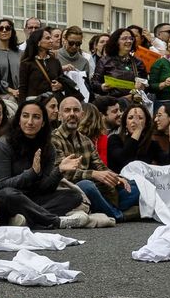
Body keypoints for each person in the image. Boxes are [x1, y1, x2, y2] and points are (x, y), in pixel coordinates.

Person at [0, 97, 91, 229]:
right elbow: (2, 185)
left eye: (36, 117)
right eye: (25, 116)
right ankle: (56, 221)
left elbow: (44, 188)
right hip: (5, 198)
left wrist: (59, 171)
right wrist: (31, 173)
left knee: (74, 196)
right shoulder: (4, 144)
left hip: (32, 198)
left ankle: (24, 219)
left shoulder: (48, 148)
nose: (30, 122)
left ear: (43, 122)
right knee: (8, 194)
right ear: (19, 120)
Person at [53, 95, 125, 223]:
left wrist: (116, 177)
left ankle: (106, 209)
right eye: (67, 110)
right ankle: (118, 214)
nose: (72, 114)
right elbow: (63, 174)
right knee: (86, 186)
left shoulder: (86, 140)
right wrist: (94, 174)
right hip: (68, 189)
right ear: (59, 115)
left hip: (93, 188)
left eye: (75, 110)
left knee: (131, 185)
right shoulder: (53, 139)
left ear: (82, 114)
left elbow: (100, 165)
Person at [19, 28, 64, 99]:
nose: (51, 41)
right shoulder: (27, 63)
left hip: (52, 102)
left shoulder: (55, 61)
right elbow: (23, 87)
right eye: (47, 38)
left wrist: (60, 85)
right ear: (38, 42)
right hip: (34, 103)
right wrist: (21, 106)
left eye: (51, 38)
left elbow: (62, 80)